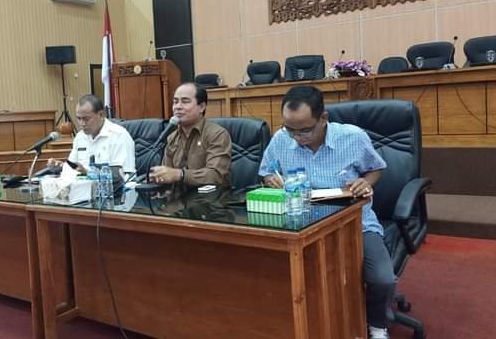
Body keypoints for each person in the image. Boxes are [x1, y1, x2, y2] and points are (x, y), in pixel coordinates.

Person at [258, 85, 396, 339]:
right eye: (290, 129)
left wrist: (365, 182)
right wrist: (270, 179)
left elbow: (375, 168)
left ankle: (377, 325)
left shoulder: (352, 137)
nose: (297, 137)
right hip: (301, 223)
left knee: (382, 279)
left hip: (353, 222)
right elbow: (267, 171)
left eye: (305, 130)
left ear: (323, 118)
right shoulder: (281, 139)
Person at [149, 82, 231, 188]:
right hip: (177, 196)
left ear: (201, 107)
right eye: (175, 102)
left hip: (208, 196)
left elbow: (216, 175)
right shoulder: (172, 137)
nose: (178, 107)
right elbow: (167, 174)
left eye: (185, 102)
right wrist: (159, 176)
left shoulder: (217, 134)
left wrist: (180, 175)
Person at [48, 94, 136, 175]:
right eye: (79, 118)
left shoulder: (119, 135)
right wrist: (62, 167)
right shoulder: (80, 137)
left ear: (101, 114)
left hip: (110, 187)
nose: (82, 123)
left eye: (86, 119)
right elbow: (74, 166)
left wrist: (89, 173)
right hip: (81, 186)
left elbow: (123, 175)